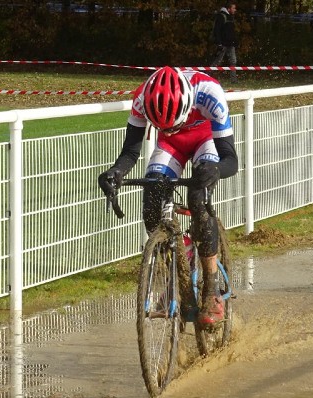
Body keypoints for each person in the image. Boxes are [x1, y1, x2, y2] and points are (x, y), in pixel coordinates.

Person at [98, 67, 238, 325]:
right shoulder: (142, 99)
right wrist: (115, 172)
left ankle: (211, 290)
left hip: (206, 141)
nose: (171, 129)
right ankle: (180, 271)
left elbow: (231, 160)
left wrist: (215, 170)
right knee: (152, 204)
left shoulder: (209, 93)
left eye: (175, 124)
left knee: (198, 198)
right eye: (163, 126)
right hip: (171, 148)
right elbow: (130, 151)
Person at [211, 2, 239, 83]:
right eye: (233, 8)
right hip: (223, 44)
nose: (235, 10)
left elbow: (232, 32)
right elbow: (217, 31)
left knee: (233, 61)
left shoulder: (231, 17)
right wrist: (219, 43)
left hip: (231, 44)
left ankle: (233, 80)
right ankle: (208, 76)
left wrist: (235, 42)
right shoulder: (221, 16)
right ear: (228, 9)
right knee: (217, 62)